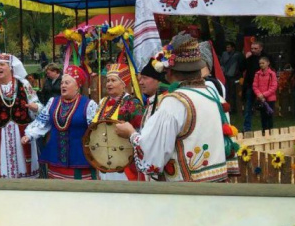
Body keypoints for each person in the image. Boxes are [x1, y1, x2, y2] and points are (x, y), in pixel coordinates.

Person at [116, 33, 237, 182]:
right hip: (216, 185)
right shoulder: (212, 94)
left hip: (186, 193)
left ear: (169, 71)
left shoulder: (175, 102)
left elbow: (153, 154)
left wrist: (131, 134)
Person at [22, 66, 98, 180]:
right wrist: (29, 135)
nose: (63, 85)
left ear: (77, 86)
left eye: (67, 83)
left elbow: (96, 131)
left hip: (80, 159)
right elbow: (42, 121)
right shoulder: (53, 102)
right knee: (57, 192)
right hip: (55, 157)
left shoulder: (89, 105)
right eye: (62, 82)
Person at [0, 53, 41, 179]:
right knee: (2, 168)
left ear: (10, 67)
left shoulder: (24, 84)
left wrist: (35, 107)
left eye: (2, 64)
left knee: (24, 166)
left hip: (21, 134)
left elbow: (38, 105)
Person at [93, 63, 143, 180]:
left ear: (123, 84)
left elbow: (140, 131)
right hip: (104, 157)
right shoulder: (103, 102)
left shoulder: (132, 103)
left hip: (125, 160)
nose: (109, 84)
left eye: (113, 80)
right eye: (108, 80)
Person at [239, 40, 273, 131]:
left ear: (261, 48)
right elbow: (241, 68)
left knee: (265, 108)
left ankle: (266, 128)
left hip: (263, 87)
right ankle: (247, 128)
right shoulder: (250, 58)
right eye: (252, 48)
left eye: (256, 48)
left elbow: (271, 70)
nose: (253, 50)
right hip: (251, 85)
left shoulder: (267, 58)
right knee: (248, 107)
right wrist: (245, 58)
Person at [138, 59, 168, 128]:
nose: (140, 82)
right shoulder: (152, 101)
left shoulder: (163, 104)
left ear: (158, 80)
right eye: (141, 78)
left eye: (145, 78)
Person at [253, 56, 278, 132]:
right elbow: (255, 86)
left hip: (270, 99)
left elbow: (274, 87)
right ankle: (264, 130)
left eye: (263, 63)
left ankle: (270, 130)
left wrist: (263, 95)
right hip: (261, 99)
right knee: (263, 116)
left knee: (269, 115)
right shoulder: (257, 74)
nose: (261, 65)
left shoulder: (272, 74)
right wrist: (259, 95)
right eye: (260, 63)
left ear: (268, 63)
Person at [220, 42, 241, 113]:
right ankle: (228, 107)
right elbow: (222, 63)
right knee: (226, 92)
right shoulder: (224, 54)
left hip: (233, 76)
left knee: (233, 92)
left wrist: (236, 73)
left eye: (229, 47)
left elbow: (239, 65)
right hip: (226, 75)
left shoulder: (237, 55)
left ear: (233, 48)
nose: (227, 49)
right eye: (227, 47)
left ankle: (233, 108)